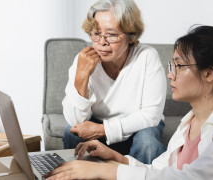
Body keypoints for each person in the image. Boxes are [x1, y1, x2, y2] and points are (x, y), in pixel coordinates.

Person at [46, 25, 213, 180]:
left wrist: (107, 171)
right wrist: (116, 158)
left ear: (209, 74)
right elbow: (158, 171)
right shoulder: (188, 124)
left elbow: (195, 177)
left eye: (178, 66)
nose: (170, 75)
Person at [62, 0, 167, 164]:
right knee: (71, 133)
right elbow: (75, 121)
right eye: (96, 33)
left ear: (130, 36)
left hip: (139, 128)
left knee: (148, 142)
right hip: (99, 122)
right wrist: (81, 76)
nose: (102, 42)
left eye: (111, 34)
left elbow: (151, 116)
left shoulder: (147, 56)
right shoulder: (83, 60)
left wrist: (102, 130)